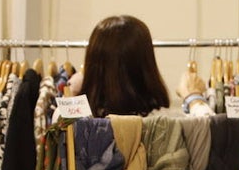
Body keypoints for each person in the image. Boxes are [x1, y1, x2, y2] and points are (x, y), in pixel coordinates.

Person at [79, 14, 212, 118]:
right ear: (146, 68)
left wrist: (71, 94)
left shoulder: (72, 124)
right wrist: (193, 96)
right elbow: (213, 134)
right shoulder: (165, 124)